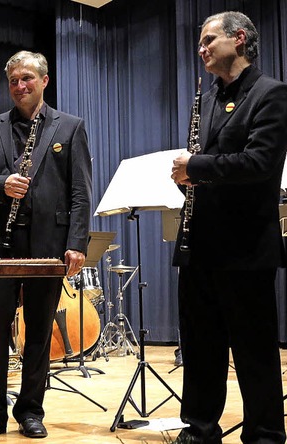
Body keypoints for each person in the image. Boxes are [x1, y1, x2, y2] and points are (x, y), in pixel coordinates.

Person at [0, 50, 92, 439]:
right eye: (14, 80)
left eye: (27, 78)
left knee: (38, 332)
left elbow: (80, 192)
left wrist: (77, 243)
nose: (20, 86)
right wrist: (1, 185)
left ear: (44, 80)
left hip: (48, 245)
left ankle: (31, 411)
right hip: (0, 245)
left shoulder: (70, 127)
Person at [171, 11, 287, 443]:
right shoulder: (206, 100)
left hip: (245, 247)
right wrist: (188, 179)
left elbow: (260, 164)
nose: (200, 49)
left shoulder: (271, 94)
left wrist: (194, 166)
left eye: (207, 40)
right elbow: (209, 169)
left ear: (238, 39)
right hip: (200, 243)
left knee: (254, 351)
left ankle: (266, 435)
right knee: (201, 348)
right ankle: (199, 429)